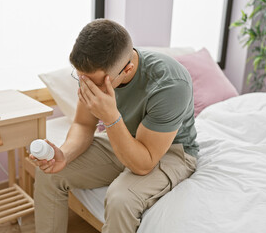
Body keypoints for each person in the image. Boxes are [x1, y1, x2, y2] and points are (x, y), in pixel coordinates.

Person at [30, 19, 199, 233]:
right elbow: (83, 124)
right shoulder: (92, 76)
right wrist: (64, 154)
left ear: (127, 69)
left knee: (120, 199)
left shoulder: (170, 83)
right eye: (81, 77)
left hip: (169, 152)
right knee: (50, 172)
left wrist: (111, 117)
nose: (87, 86)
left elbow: (143, 163)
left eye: (96, 83)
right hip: (122, 138)